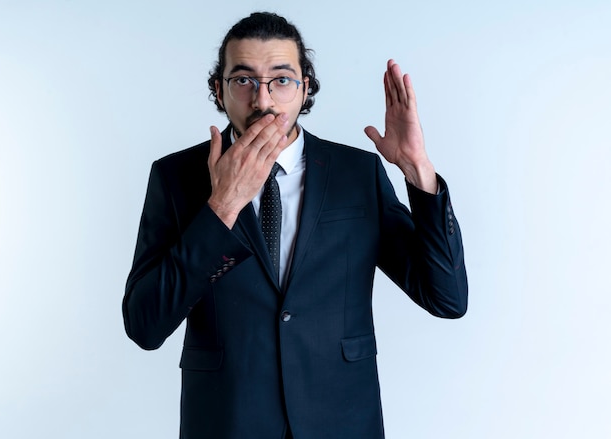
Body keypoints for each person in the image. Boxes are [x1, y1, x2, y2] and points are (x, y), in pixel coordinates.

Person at [123, 11, 467, 439]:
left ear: (306, 88)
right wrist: (222, 206)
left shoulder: (357, 173)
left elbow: (447, 297)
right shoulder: (176, 178)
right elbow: (144, 325)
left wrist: (417, 169)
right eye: (243, 80)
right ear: (219, 89)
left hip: (341, 420)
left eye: (282, 80)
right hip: (226, 421)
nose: (263, 101)